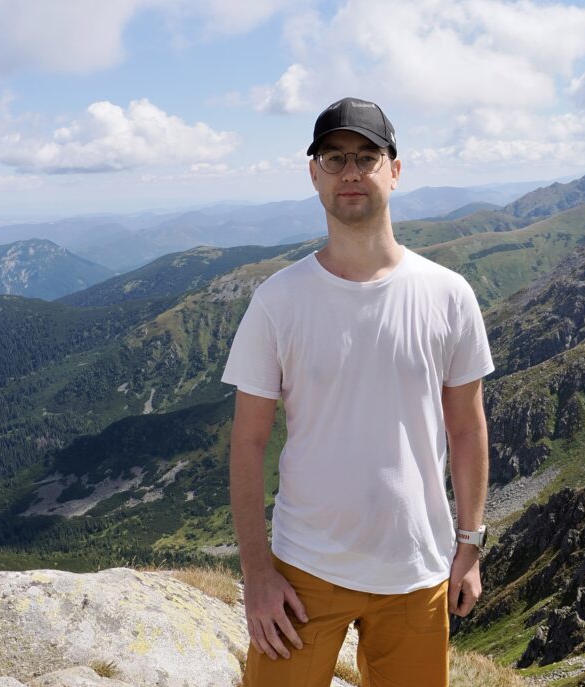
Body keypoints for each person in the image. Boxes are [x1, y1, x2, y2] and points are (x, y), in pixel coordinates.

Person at [222, 96, 494, 687]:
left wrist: (469, 546)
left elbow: (468, 428)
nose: (350, 172)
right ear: (314, 174)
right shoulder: (278, 301)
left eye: (366, 157)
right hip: (301, 575)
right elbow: (247, 443)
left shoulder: (449, 295)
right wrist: (257, 574)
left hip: (417, 574)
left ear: (394, 170)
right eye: (334, 157)